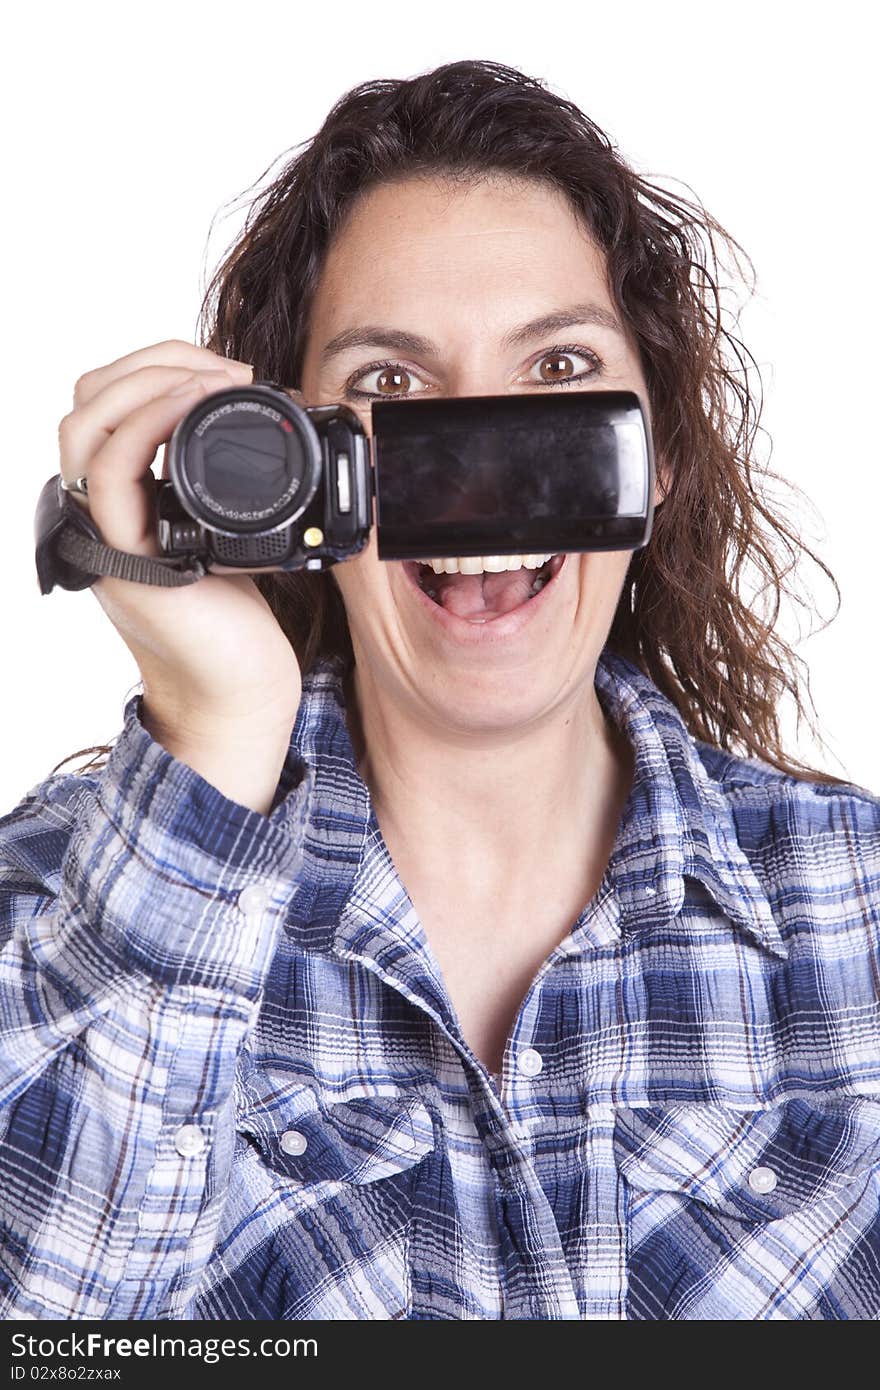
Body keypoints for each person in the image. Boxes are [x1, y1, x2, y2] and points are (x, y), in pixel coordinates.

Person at [2, 58, 879, 1323]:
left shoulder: (854, 913)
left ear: (660, 459)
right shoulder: (62, 917)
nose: (476, 474)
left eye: (560, 372)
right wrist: (216, 729)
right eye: (388, 389)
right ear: (286, 475)